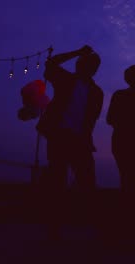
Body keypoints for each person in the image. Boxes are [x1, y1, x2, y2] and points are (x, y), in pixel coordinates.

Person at [36, 45, 103, 239]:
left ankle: (91, 223)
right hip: (59, 136)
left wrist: (87, 140)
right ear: (80, 64)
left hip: (80, 140)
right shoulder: (66, 79)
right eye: (89, 63)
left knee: (87, 182)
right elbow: (51, 63)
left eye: (94, 65)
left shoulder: (97, 92)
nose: (92, 68)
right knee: (58, 180)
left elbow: (91, 121)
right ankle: (55, 226)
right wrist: (76, 51)